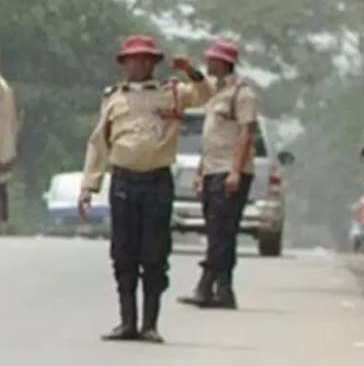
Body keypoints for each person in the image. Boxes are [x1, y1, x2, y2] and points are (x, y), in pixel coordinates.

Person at [77, 35, 213, 343]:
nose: (138, 64)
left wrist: (190, 70)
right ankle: (127, 322)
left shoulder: (173, 92)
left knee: (154, 254)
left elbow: (206, 95)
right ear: (124, 63)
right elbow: (98, 143)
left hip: (156, 182)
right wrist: (89, 186)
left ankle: (150, 324)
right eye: (132, 59)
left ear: (153, 63)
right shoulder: (113, 97)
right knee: (123, 254)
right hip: (124, 182)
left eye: (144, 59)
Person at [178, 40, 260, 310]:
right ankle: (223, 290)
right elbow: (210, 138)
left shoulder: (243, 94)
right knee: (218, 232)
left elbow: (247, 134)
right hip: (213, 168)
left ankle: (205, 286)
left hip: (230, 171)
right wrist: (201, 173)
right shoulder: (216, 93)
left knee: (221, 231)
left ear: (224, 63)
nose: (208, 64)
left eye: (212, 60)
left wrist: (236, 171)